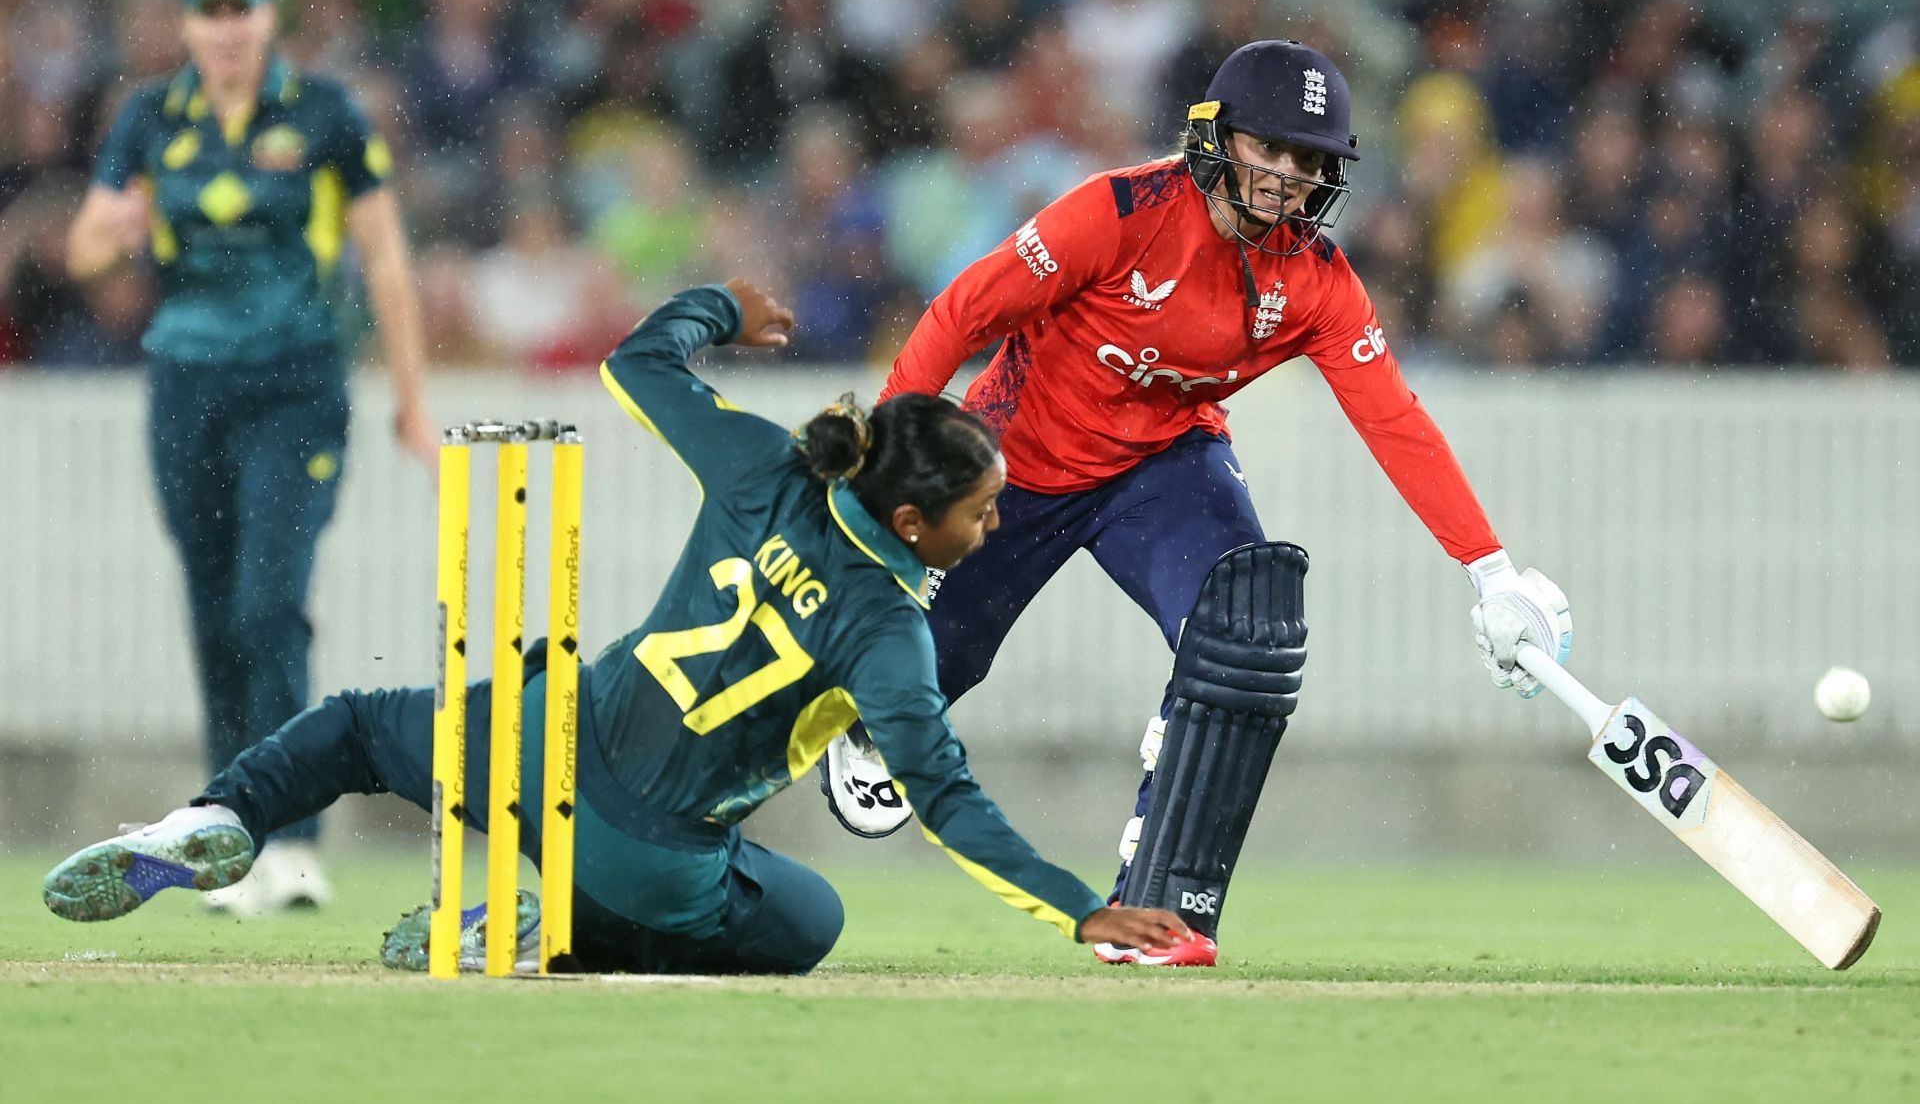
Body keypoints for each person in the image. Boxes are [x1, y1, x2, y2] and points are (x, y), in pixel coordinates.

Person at [41, 280, 1191, 975]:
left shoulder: (768, 466)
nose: (993, 529)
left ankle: (218, 816)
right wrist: (1080, 905)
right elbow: (946, 801)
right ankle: (563, 935)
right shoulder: (890, 632)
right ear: (908, 517)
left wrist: (722, 310)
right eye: (981, 511)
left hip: (535, 734)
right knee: (810, 915)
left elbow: (636, 359)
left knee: (349, 725)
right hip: (649, 856)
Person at [818, 40, 1573, 966]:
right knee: (915, 676)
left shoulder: (1317, 281)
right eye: (1270, 149)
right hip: (1016, 462)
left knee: (1245, 629)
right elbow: (961, 314)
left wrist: (1489, 570)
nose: (1288, 179)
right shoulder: (1115, 212)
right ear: (1216, 137)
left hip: (1165, 466)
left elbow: (1394, 419)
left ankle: (1163, 904)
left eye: (1309, 161)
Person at [64, 0, 437, 915]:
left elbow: (387, 259)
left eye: (242, 9)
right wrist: (111, 239)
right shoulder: (150, 117)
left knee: (272, 602)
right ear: (188, 22)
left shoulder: (323, 112)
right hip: (186, 384)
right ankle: (226, 837)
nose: (226, 28)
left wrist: (411, 397)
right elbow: (84, 254)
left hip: (295, 382)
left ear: (268, 16)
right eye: (209, 10)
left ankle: (295, 837)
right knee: (216, 614)